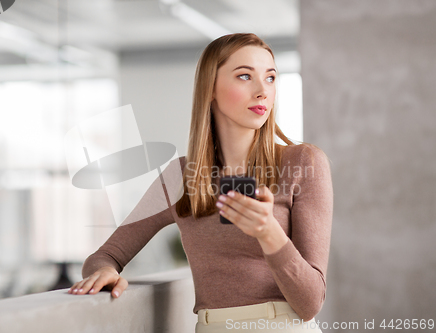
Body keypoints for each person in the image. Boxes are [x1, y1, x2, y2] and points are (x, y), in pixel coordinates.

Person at [69, 33, 333, 333]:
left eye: (270, 78)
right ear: (210, 88)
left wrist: (269, 234)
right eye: (245, 76)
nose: (262, 91)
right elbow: (106, 255)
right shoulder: (179, 176)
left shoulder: (303, 162)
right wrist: (105, 272)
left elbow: (311, 302)